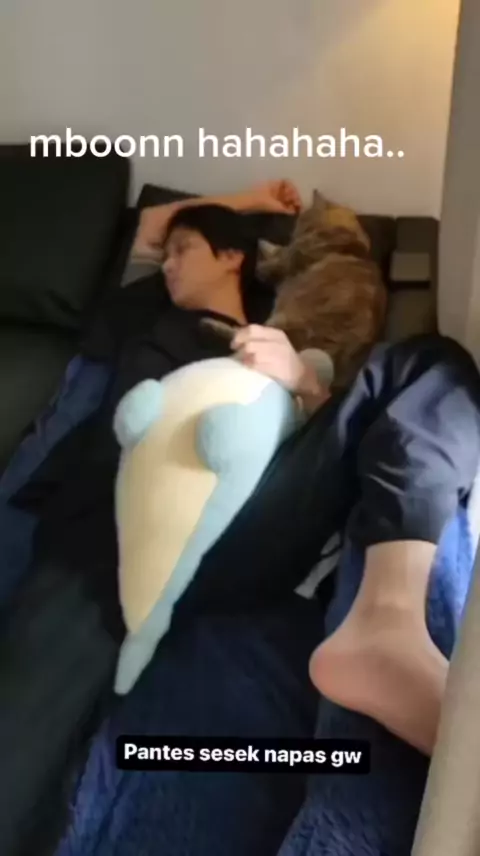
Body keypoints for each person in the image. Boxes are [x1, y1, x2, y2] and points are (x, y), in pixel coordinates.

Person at [9, 180, 480, 762]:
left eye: (185, 250)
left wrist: (302, 382)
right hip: (125, 529)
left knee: (431, 363)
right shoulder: (144, 310)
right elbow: (151, 224)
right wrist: (253, 202)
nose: (169, 263)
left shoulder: (282, 328)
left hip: (248, 515)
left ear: (233, 256)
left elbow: (336, 429)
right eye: (167, 254)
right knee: (28, 717)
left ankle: (388, 622)